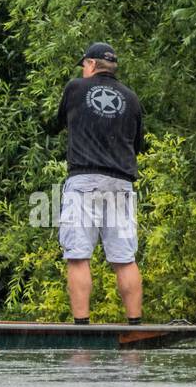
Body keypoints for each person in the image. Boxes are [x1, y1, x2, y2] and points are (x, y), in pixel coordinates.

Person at [52, 41, 145, 325]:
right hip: (121, 183)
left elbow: (56, 125)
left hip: (84, 180)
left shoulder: (76, 88)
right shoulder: (132, 99)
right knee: (124, 259)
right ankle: (135, 326)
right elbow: (138, 145)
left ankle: (82, 327)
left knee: (78, 255)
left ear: (91, 64)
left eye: (84, 66)